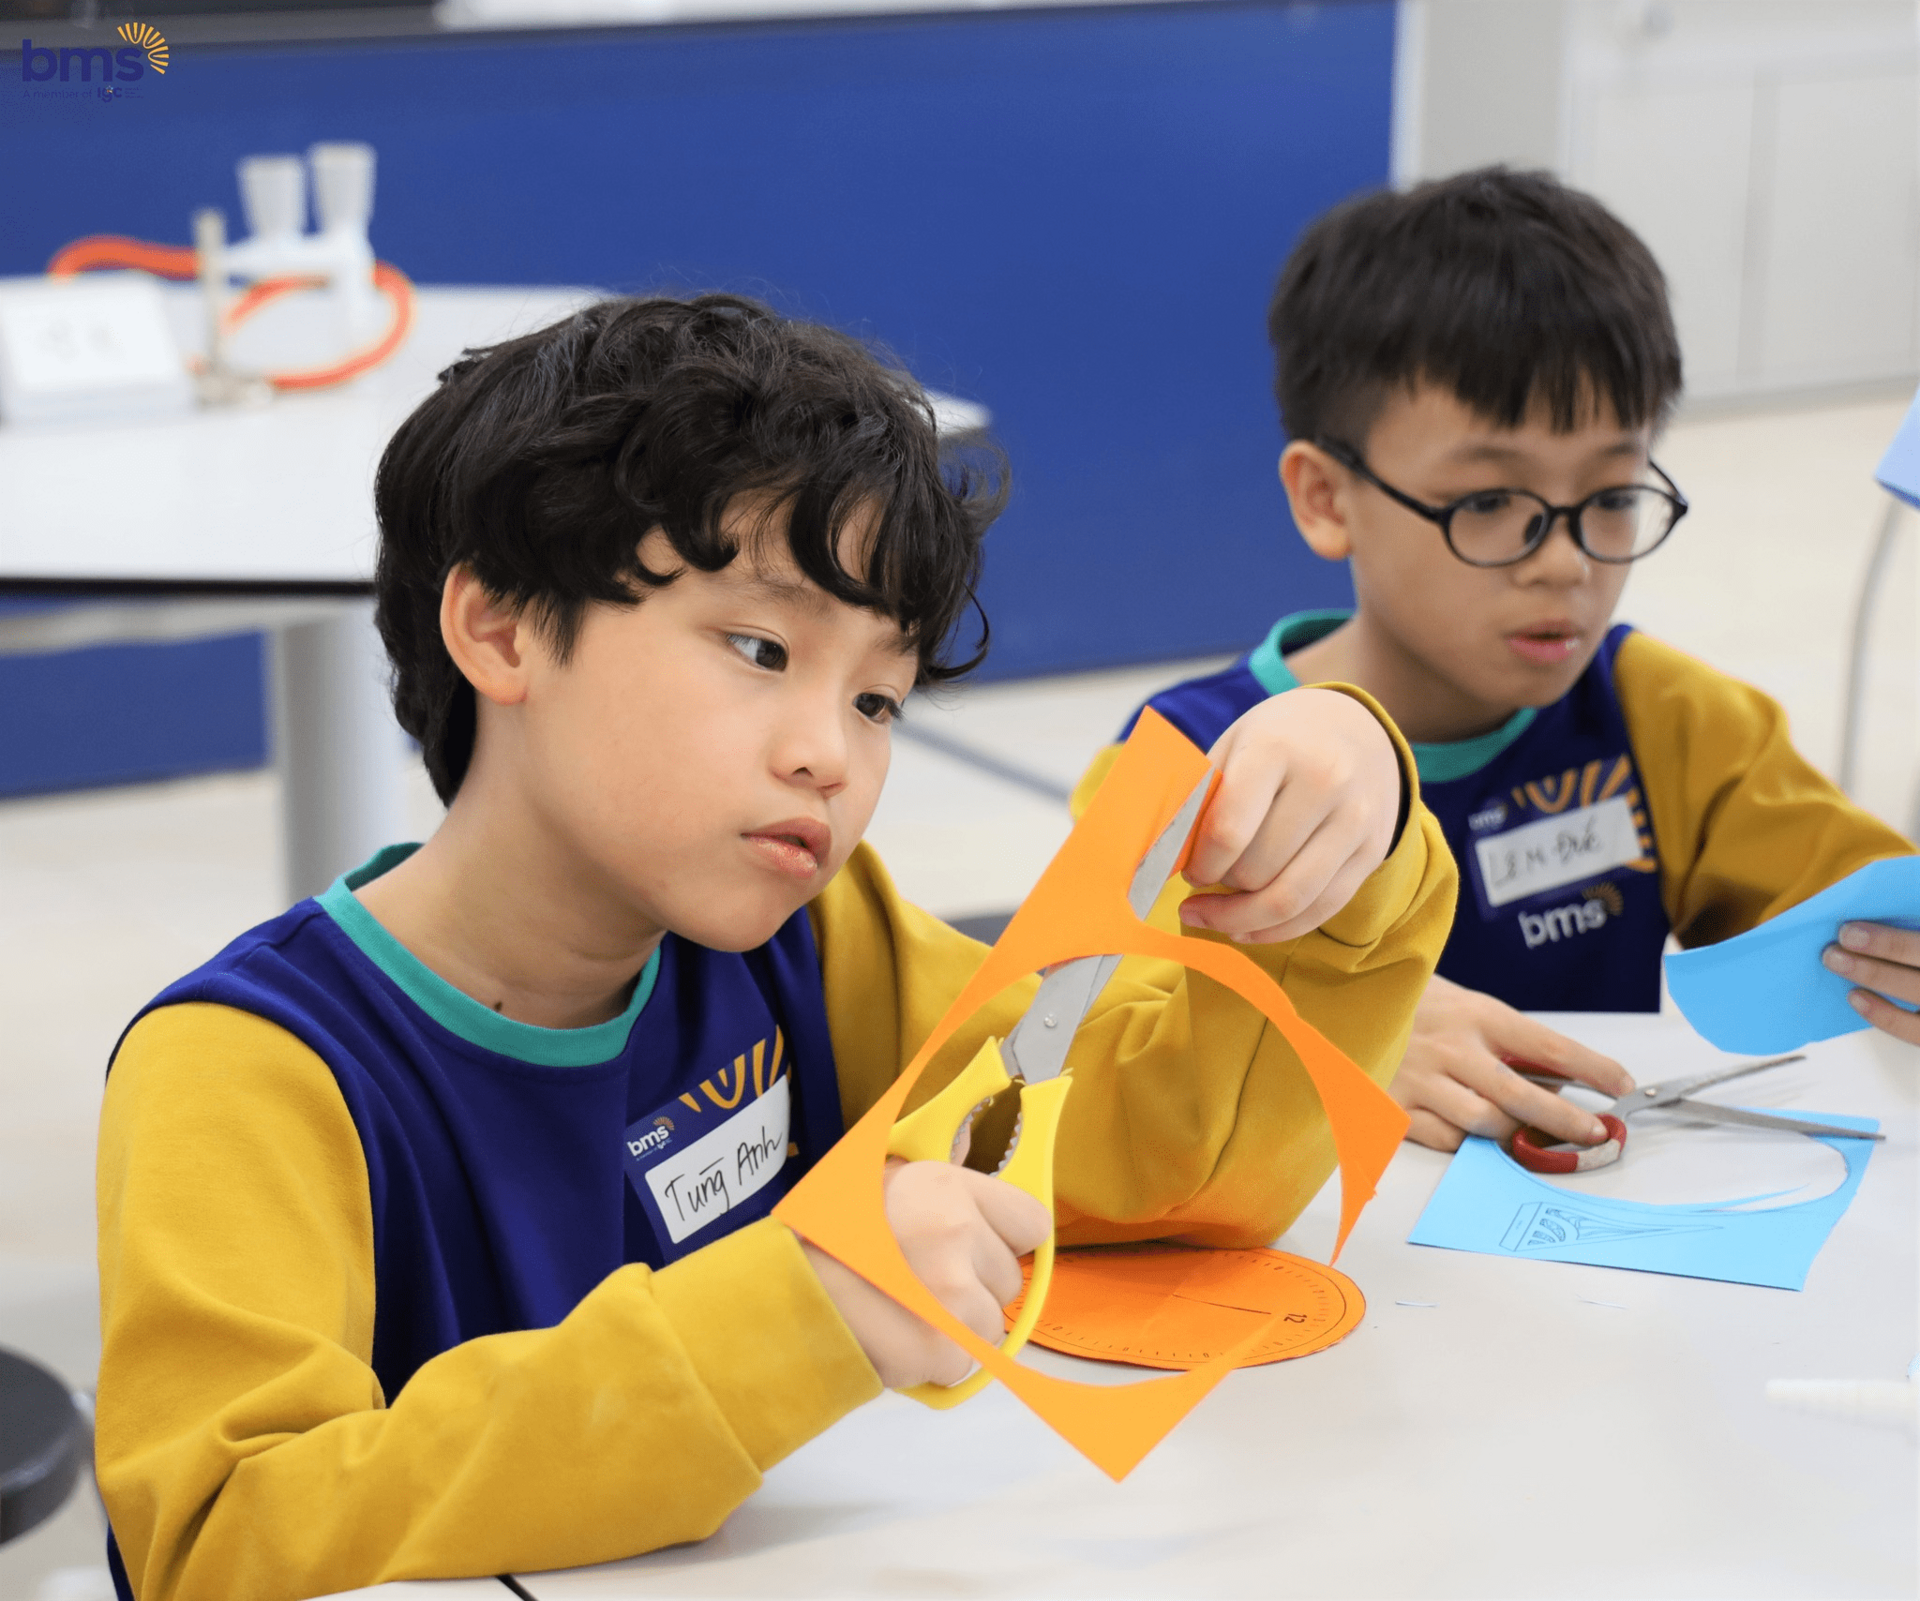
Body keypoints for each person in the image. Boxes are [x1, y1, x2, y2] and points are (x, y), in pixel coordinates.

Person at [94, 295, 1455, 1601]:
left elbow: (1147, 1169)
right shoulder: (249, 1071)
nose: (830, 755)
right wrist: (796, 1311)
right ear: (501, 629)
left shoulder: (809, 937)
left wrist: (1356, 827)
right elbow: (217, 1539)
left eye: (878, 698)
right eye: (758, 648)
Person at [1078, 168, 1915, 1157]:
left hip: (1598, 1225)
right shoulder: (1191, 757)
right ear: (1327, 499)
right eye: (1488, 503)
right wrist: (1324, 1034)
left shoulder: (1665, 714)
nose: (1564, 561)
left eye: (1613, 497)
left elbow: (1867, 914)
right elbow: (1089, 1049)